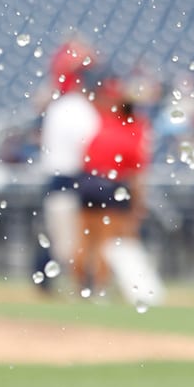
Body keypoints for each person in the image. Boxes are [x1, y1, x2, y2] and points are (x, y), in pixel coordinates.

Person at [74, 77, 150, 297]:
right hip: (111, 185)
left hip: (88, 181)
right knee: (107, 240)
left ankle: (81, 284)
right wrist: (138, 203)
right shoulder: (134, 130)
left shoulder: (104, 122)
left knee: (86, 238)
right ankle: (98, 287)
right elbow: (136, 172)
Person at [37, 41, 101, 291]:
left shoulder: (64, 106)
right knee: (66, 240)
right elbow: (88, 148)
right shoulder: (76, 107)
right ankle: (65, 283)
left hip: (63, 177)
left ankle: (54, 282)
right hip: (70, 177)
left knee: (63, 237)